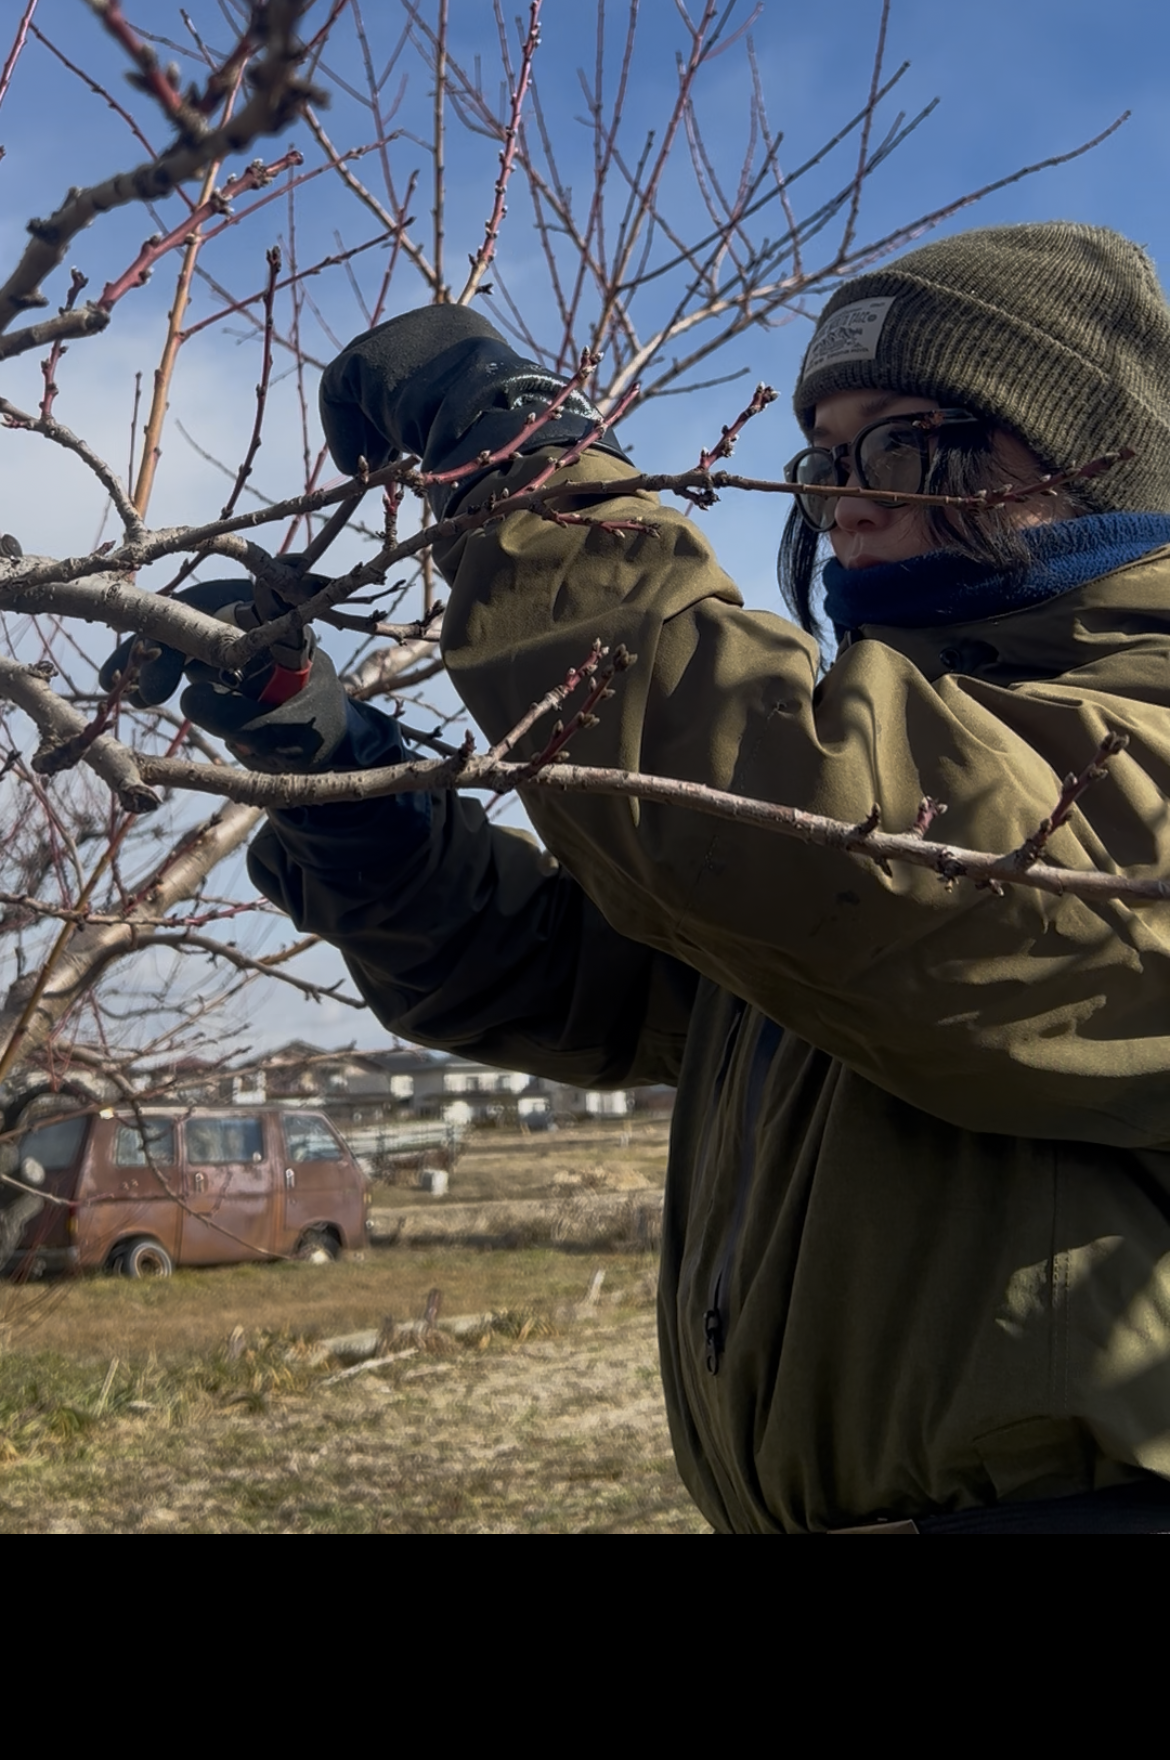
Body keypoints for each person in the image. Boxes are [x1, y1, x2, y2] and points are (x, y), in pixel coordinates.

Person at [128, 222, 1170, 1532]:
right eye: (826, 462)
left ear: (1097, 467)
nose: (849, 500)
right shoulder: (899, 784)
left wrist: (524, 467)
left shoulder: (1130, 745)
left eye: (905, 445)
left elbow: (819, 838)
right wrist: (342, 778)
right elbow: (580, 976)